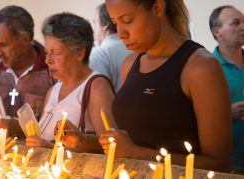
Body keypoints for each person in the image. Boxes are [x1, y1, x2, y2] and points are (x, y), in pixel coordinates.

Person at [99, 0, 232, 171]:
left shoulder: (200, 67)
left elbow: (219, 164)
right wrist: (86, 142)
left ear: (157, 8)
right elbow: (129, 143)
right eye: (115, 23)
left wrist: (137, 153)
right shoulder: (130, 64)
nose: (120, 34)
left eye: (128, 20)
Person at [23, 12, 117, 153]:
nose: (48, 60)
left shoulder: (96, 86)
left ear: (79, 53)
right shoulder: (53, 90)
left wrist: (50, 148)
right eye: (46, 51)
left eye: (56, 52)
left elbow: (112, 146)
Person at [0, 5, 55, 142]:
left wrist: (16, 127)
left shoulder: (53, 72)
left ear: (25, 39)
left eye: (3, 45)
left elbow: (58, 129)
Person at [209, 5, 244, 173]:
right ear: (217, 32)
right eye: (236, 23)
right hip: (227, 165)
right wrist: (226, 113)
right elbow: (189, 116)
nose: (243, 27)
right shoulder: (206, 68)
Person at [89, 3, 131, 90]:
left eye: (94, 22)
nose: (93, 29)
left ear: (105, 25)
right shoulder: (139, 48)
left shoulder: (99, 53)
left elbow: (99, 92)